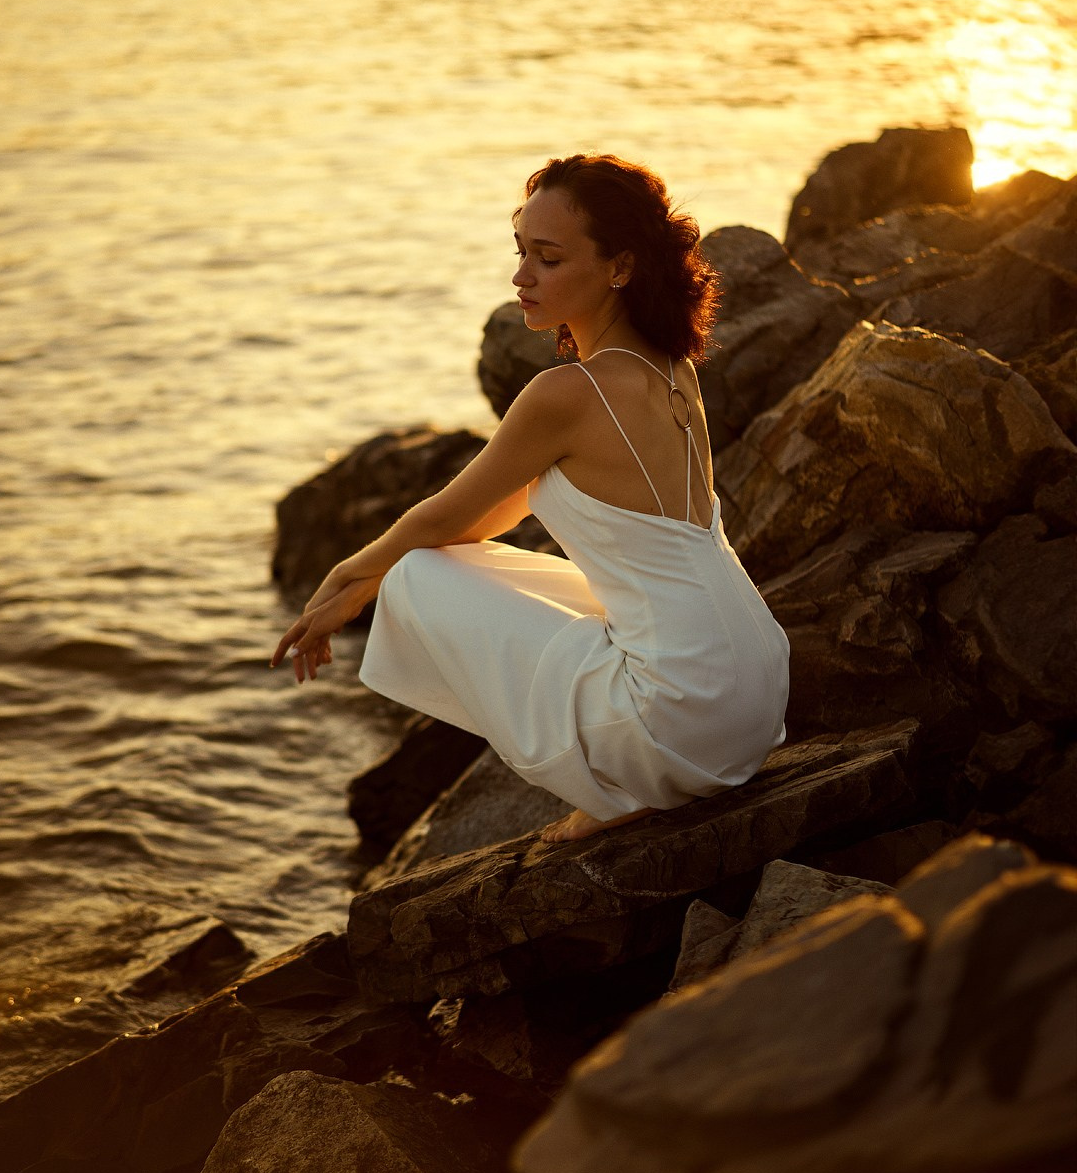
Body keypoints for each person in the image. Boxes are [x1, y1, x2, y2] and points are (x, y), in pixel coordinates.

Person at [271, 154, 790, 843]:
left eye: (548, 259)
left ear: (620, 267)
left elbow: (441, 518)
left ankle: (623, 783)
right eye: (521, 253)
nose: (522, 277)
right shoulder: (672, 367)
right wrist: (364, 583)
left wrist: (349, 576)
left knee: (417, 573)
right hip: (755, 685)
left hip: (684, 714)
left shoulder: (567, 394)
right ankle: (638, 773)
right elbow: (487, 516)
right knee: (452, 563)